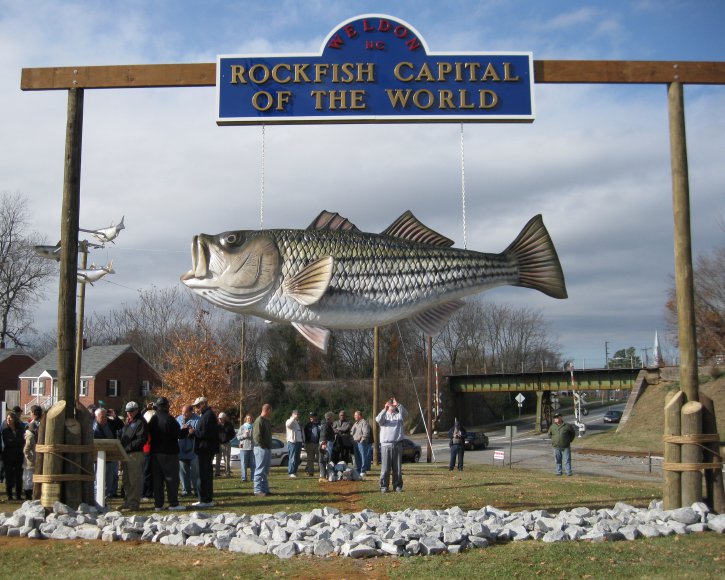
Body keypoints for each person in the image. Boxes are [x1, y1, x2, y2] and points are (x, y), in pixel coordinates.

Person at [147, 397, 184, 511]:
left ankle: (158, 504)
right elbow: (178, 434)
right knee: (172, 478)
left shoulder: (153, 419)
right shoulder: (169, 419)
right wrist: (187, 430)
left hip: (155, 453)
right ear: (166, 406)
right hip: (169, 453)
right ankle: (173, 503)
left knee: (158, 480)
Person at [187, 396, 219, 508]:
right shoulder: (206, 415)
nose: (196, 408)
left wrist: (193, 431)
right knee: (204, 474)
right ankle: (204, 499)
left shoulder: (208, 416)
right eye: (196, 406)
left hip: (205, 449)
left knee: (204, 475)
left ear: (204, 404)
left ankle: (205, 500)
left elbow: (205, 434)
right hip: (204, 449)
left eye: (198, 406)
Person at [119, 401, 148, 511]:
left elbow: (141, 439)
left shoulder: (141, 422)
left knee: (134, 480)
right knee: (126, 480)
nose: (129, 413)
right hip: (126, 454)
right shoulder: (129, 422)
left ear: (137, 410)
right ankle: (127, 502)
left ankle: (133, 504)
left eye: (131, 411)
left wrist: (128, 447)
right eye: (127, 412)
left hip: (135, 454)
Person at [376, 396, 407, 493]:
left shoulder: (399, 415)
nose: (391, 405)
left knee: (397, 468)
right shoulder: (384, 416)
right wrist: (384, 409)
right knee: (385, 468)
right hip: (385, 445)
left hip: (397, 444)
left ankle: (397, 486)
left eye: (392, 403)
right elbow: (378, 419)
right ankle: (384, 486)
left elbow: (405, 414)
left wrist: (398, 405)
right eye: (390, 403)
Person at [93, 407, 121, 500]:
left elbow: (121, 425)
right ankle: (98, 498)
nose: (104, 418)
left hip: (111, 455)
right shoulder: (93, 427)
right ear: (96, 417)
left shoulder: (109, 423)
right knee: (98, 479)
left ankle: (106, 496)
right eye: (102, 417)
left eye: (105, 416)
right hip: (98, 458)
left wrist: (115, 416)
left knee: (111, 477)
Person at [176, 405, 200, 499]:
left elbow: (199, 432)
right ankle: (186, 490)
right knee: (183, 472)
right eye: (182, 412)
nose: (183, 414)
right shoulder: (178, 419)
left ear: (191, 411)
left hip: (193, 450)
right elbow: (175, 431)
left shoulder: (197, 419)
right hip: (181, 450)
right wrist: (182, 429)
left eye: (185, 412)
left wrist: (192, 431)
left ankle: (197, 490)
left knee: (195, 472)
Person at [2, 412, 25, 501]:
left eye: (10, 419)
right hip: (8, 456)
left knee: (19, 476)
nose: (8, 420)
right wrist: (16, 442)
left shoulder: (20, 430)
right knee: (9, 476)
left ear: (14, 419)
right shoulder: (5, 430)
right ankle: (9, 495)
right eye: (7, 419)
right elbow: (7, 442)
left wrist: (15, 441)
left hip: (19, 456)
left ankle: (18, 495)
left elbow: (22, 441)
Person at [252, 403, 273, 497]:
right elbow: (256, 437)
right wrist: (263, 446)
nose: (271, 413)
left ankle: (265, 489)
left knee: (265, 471)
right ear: (267, 410)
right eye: (270, 411)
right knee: (259, 470)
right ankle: (257, 490)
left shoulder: (267, 421)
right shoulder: (259, 420)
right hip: (261, 448)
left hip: (267, 448)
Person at [350, 410, 372, 478]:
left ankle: (363, 471)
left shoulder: (364, 423)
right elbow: (351, 432)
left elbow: (366, 433)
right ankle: (358, 470)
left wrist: (361, 441)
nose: (354, 417)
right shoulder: (355, 423)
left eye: (355, 415)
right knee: (357, 458)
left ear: (359, 416)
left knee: (363, 457)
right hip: (355, 443)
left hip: (361, 443)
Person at [141, 401, 156, 500]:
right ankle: (146, 492)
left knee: (148, 472)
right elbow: (140, 417)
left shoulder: (147, 425)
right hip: (148, 449)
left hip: (149, 449)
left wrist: (147, 409)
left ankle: (148, 491)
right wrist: (147, 409)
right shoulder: (147, 426)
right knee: (147, 472)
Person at [215, 412, 236, 477]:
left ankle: (227, 472)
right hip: (218, 444)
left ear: (224, 418)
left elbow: (233, 434)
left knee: (226, 458)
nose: (220, 419)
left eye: (221, 418)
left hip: (226, 443)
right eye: (219, 418)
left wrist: (228, 439)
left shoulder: (229, 425)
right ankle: (217, 472)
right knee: (218, 458)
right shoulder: (217, 425)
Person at [285, 409, 304, 478]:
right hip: (292, 442)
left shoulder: (298, 422)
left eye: (298, 414)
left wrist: (302, 441)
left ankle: (295, 471)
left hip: (299, 442)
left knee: (297, 458)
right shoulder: (289, 421)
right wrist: (293, 418)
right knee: (292, 457)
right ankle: (291, 472)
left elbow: (300, 433)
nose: (297, 415)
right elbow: (288, 425)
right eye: (296, 414)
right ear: (292, 414)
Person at [22, 418, 38, 500]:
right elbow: (26, 449)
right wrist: (31, 457)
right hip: (30, 462)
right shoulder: (30, 436)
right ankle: (28, 495)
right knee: (29, 478)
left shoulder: (29, 435)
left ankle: (28, 494)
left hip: (28, 461)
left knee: (27, 477)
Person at [237, 414, 255, 483]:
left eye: (250, 418)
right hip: (244, 448)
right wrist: (243, 436)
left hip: (252, 448)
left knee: (253, 464)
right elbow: (238, 437)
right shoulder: (242, 427)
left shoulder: (254, 427)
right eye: (248, 418)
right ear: (245, 419)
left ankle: (253, 478)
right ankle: (244, 478)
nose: (249, 420)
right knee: (243, 464)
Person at [303, 412, 321, 477]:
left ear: (315, 417)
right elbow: (304, 435)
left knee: (320, 458)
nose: (311, 418)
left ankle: (321, 472)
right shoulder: (307, 425)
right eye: (310, 417)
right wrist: (305, 443)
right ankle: (310, 472)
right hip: (309, 444)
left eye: (313, 416)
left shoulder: (320, 424)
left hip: (318, 444)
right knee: (310, 459)